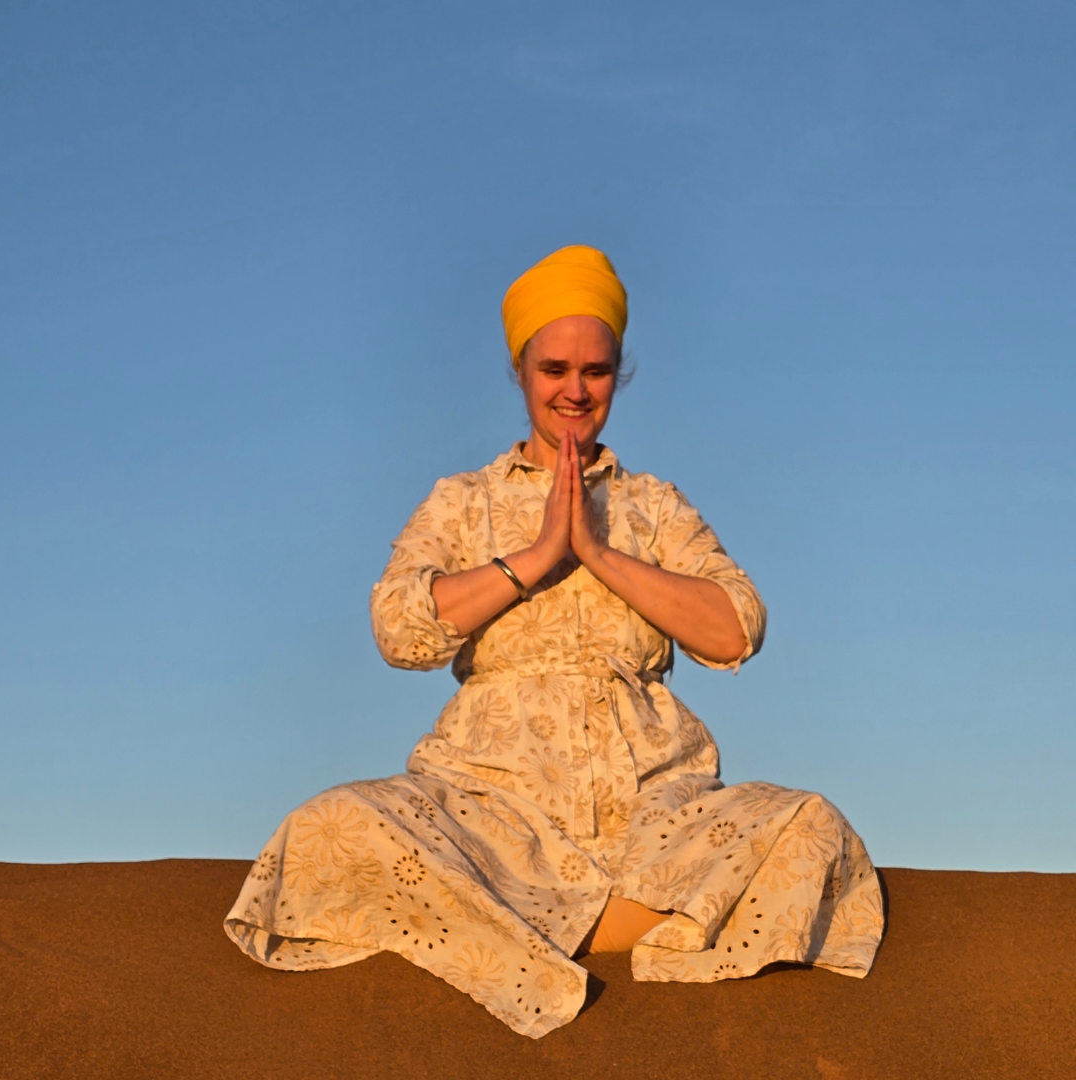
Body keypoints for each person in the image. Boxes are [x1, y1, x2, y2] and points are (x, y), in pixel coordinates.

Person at [224, 245, 884, 1038]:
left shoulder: (654, 506)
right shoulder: (463, 502)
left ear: (617, 376)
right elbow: (398, 627)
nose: (575, 389)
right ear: (521, 370)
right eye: (555, 369)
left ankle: (557, 929)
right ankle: (551, 932)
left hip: (653, 809)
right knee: (328, 827)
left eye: (596, 371)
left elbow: (736, 626)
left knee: (810, 824)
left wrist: (600, 554)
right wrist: (536, 557)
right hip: (491, 808)